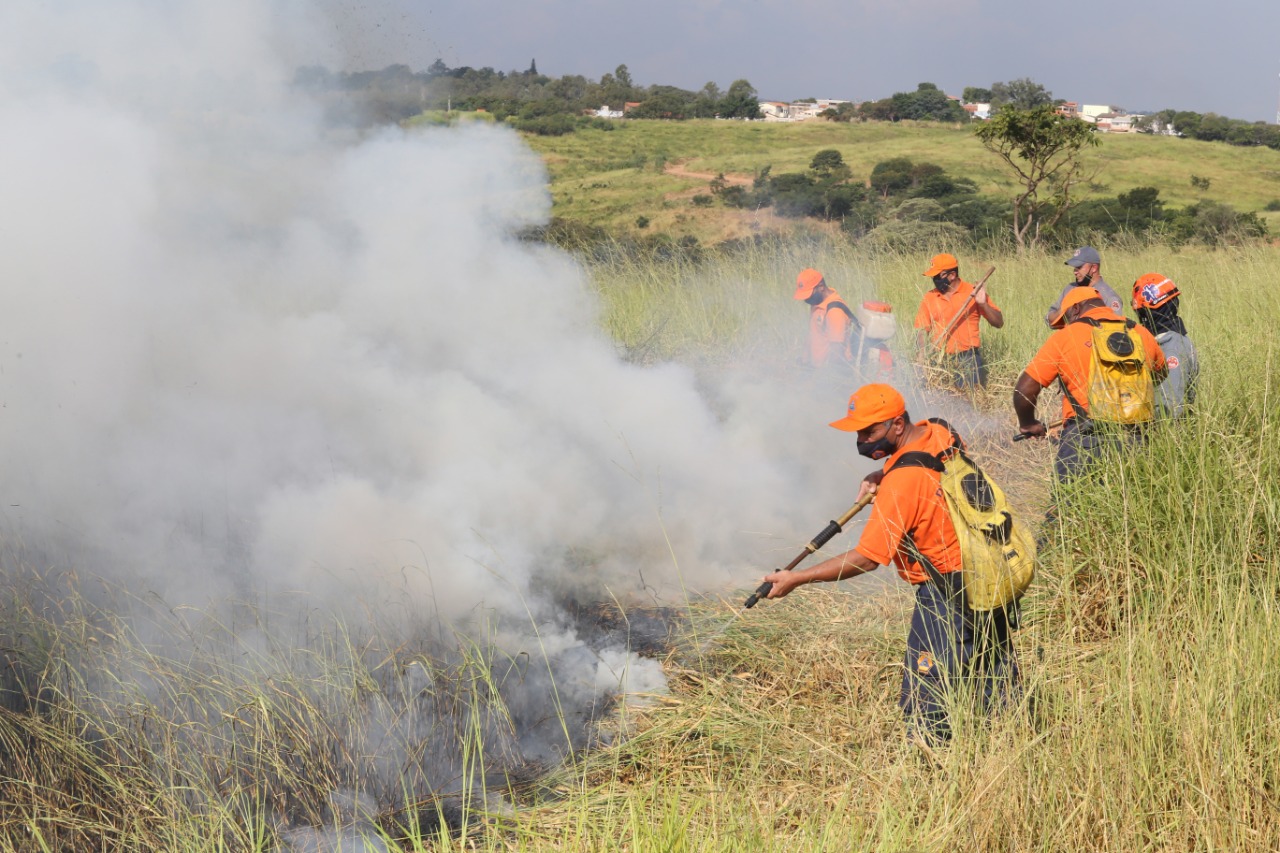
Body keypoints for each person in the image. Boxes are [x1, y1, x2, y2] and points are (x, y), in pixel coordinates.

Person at [763, 384, 1019, 743]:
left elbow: (866, 559)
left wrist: (798, 578)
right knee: (993, 674)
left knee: (927, 695)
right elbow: (928, 450)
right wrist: (882, 473)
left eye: (870, 431)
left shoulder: (903, 482)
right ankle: (1009, 742)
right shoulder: (939, 430)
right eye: (858, 431)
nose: (862, 440)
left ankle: (932, 769)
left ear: (898, 424)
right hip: (991, 570)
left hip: (949, 591)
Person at [1014, 287, 1166, 481]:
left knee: (1067, 509)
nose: (1066, 323)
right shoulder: (1141, 333)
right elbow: (1159, 377)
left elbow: (1024, 390)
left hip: (1084, 441)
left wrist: (1029, 424)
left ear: (1076, 308)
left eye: (1067, 317)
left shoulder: (1066, 336)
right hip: (1138, 442)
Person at [914, 253, 1003, 389]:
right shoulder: (930, 297)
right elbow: (921, 329)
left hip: (968, 359)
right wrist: (922, 353)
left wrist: (983, 303)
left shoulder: (972, 292)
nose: (935, 279)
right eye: (934, 276)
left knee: (968, 402)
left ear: (952, 275)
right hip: (939, 360)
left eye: (939, 275)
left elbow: (998, 322)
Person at [1132, 272, 1199, 418]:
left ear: (1147, 313)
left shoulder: (1172, 348)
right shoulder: (1169, 339)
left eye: (1141, 313)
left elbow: (1170, 409)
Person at [1044, 246, 1125, 327]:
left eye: (1079, 267)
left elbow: (1115, 330)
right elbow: (1049, 320)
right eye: (1074, 268)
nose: (1075, 272)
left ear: (1094, 268)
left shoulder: (1109, 297)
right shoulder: (1070, 288)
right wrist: (1062, 311)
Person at [794, 268, 856, 368]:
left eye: (809, 295)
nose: (806, 299)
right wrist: (804, 361)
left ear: (821, 287)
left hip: (831, 373)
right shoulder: (817, 303)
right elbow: (813, 333)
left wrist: (817, 379)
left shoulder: (834, 312)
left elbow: (836, 354)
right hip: (816, 368)